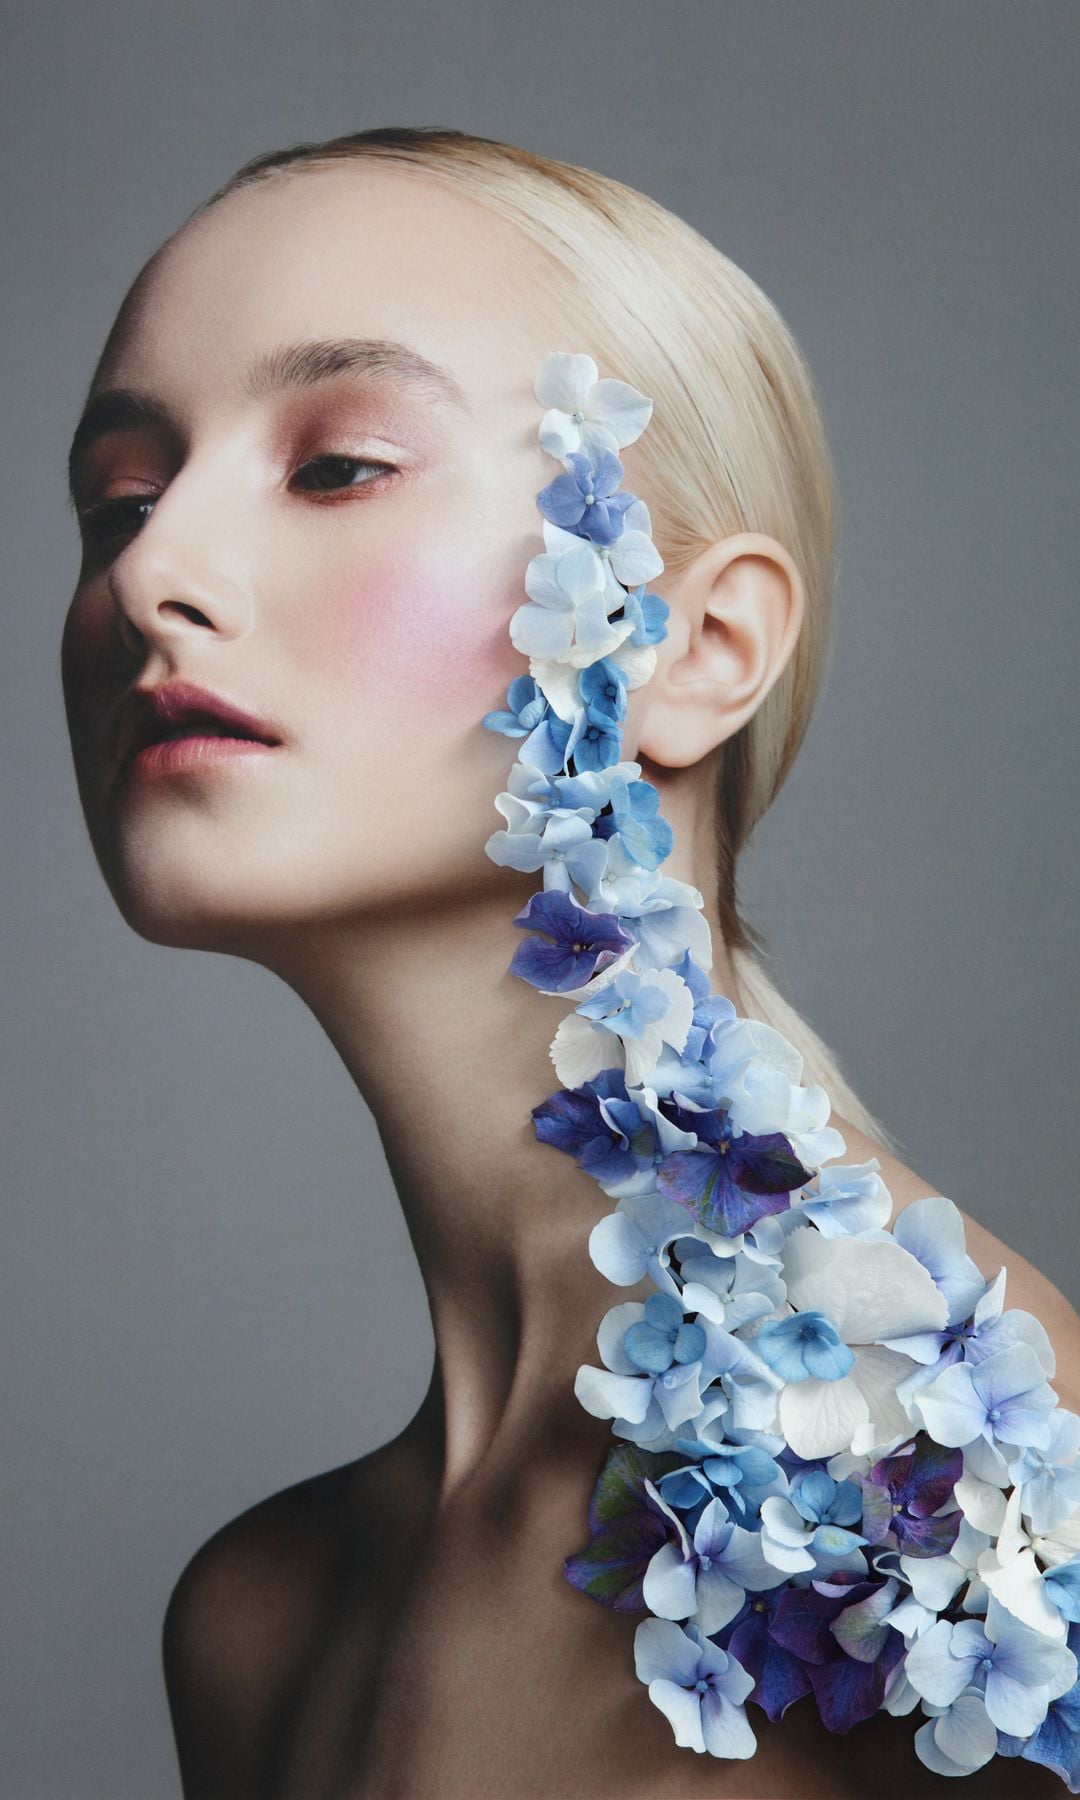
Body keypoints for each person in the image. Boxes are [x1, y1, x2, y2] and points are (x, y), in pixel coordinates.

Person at [60, 127, 1079, 1799]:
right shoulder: (262, 1629)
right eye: (118, 498)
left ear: (698, 645)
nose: (150, 576)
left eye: (338, 466)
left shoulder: (948, 1473)